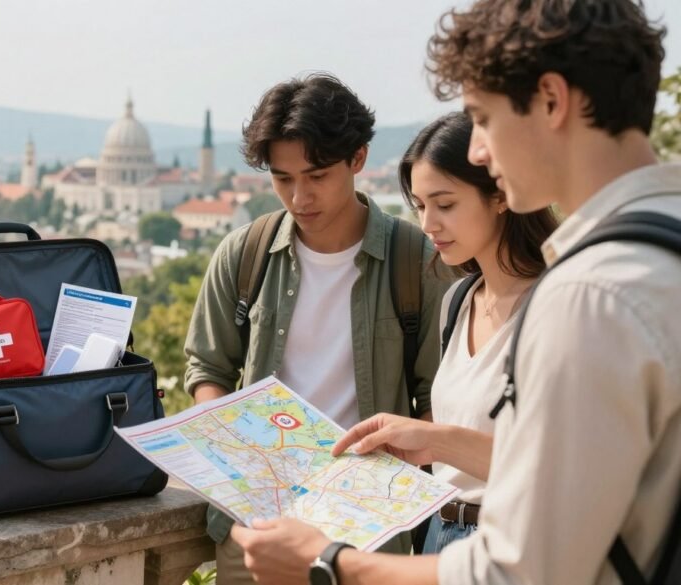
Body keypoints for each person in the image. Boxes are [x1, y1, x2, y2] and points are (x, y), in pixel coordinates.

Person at [231, 1, 681, 583]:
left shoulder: (589, 294)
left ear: (551, 100)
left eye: (484, 118)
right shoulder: (658, 245)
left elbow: (518, 573)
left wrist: (328, 562)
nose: (478, 152)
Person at [183, 72, 452, 583]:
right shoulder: (245, 254)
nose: (299, 197)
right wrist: (235, 454)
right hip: (257, 530)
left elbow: (437, 390)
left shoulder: (415, 259)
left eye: (316, 175)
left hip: (370, 534)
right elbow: (207, 367)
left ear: (357, 159)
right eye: (283, 179)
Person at [399, 111, 557, 553]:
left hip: (515, 544)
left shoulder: (557, 305)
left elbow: (562, 470)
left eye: (444, 204)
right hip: (440, 536)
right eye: (420, 206)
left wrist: (434, 441)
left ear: (501, 194)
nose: (428, 223)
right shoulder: (457, 302)